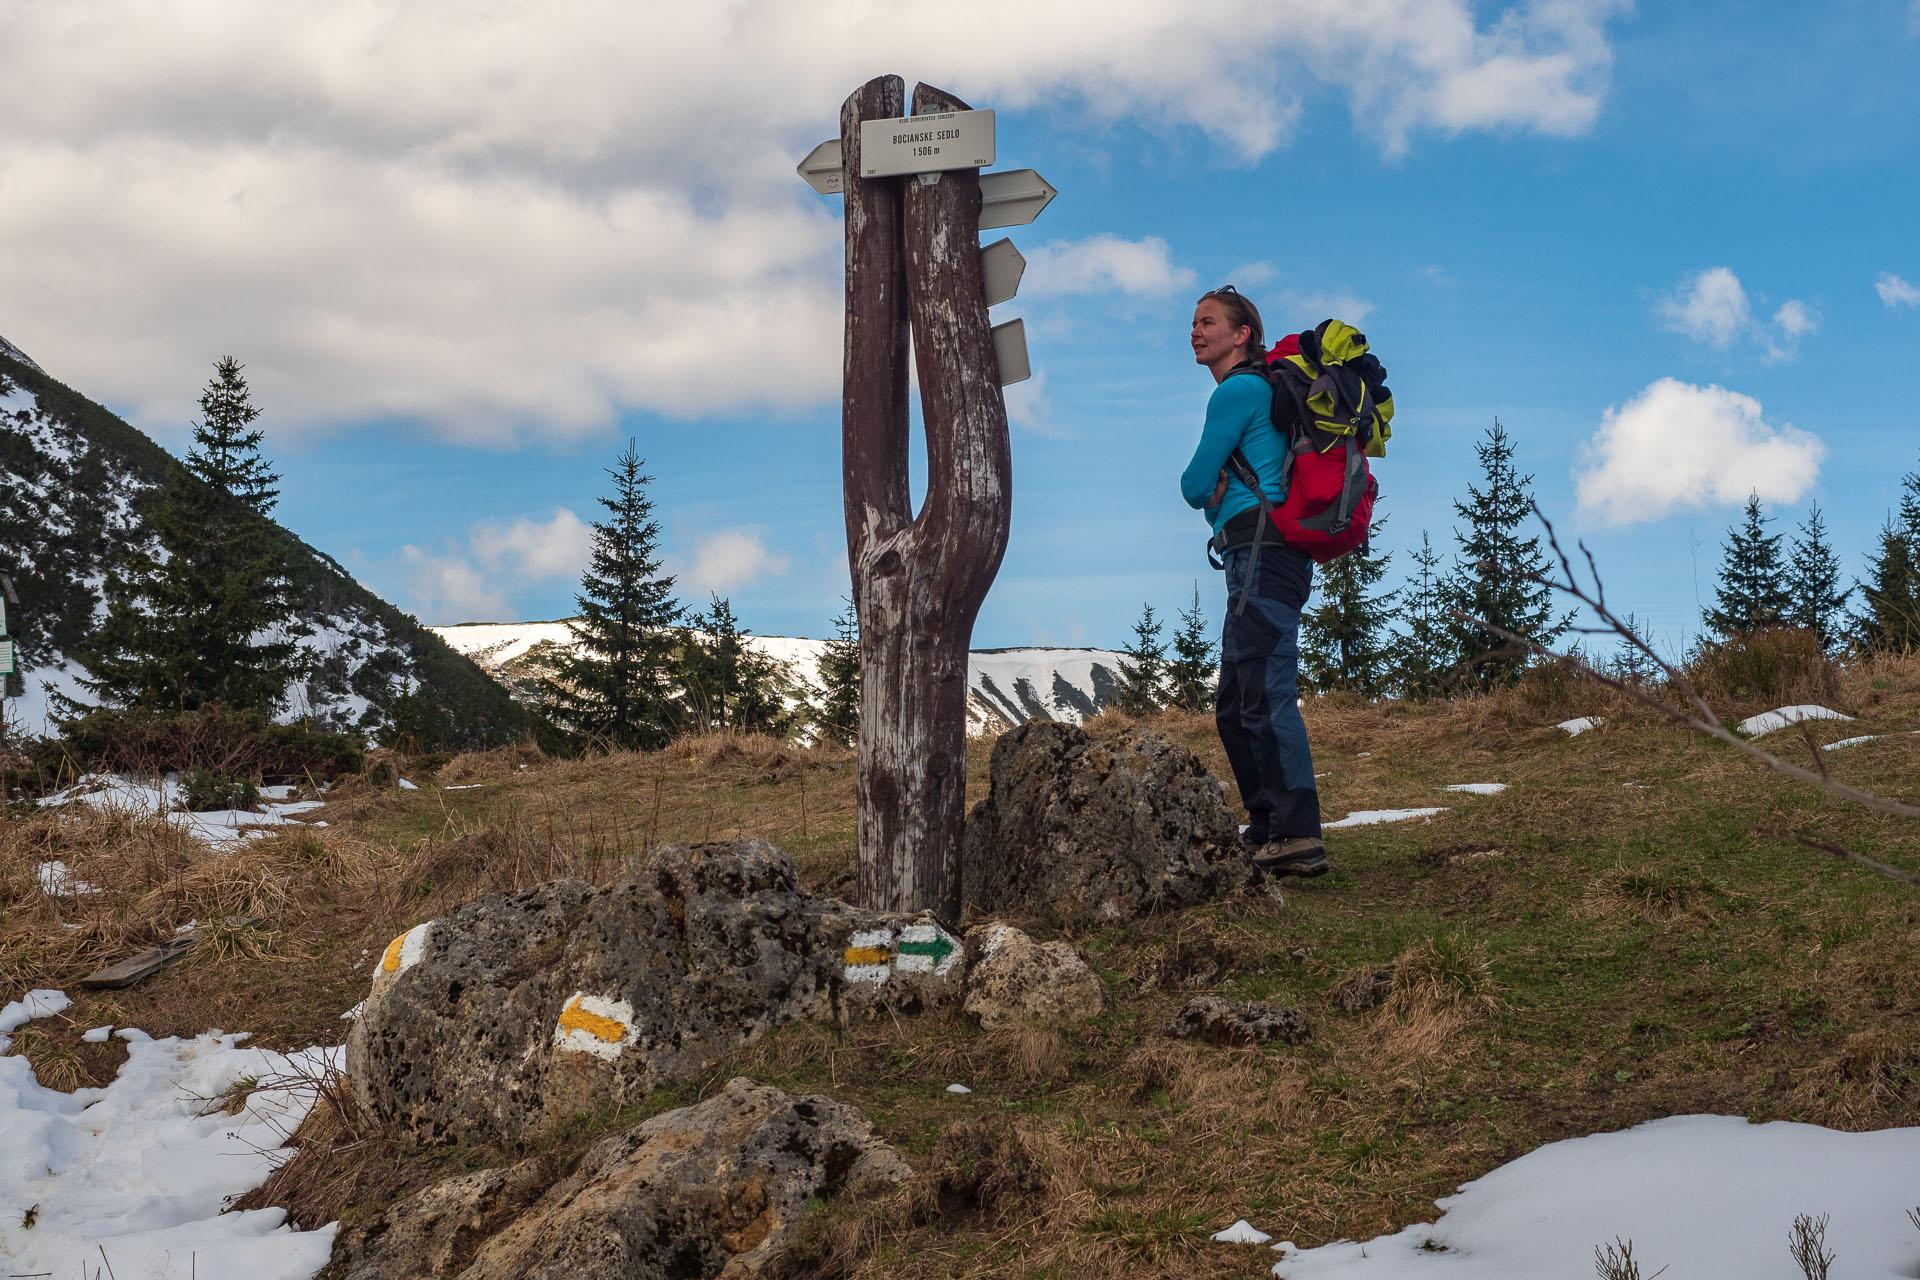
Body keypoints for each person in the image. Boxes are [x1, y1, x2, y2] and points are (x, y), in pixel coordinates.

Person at [1179, 286, 1327, 877]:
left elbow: (1193, 483)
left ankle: (1297, 834)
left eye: (1207, 321)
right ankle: (1268, 826)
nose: (1195, 331)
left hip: (1262, 554)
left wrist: (1210, 488)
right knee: (1237, 702)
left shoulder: (1238, 390)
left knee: (1262, 693)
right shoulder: (1255, 391)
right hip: (1262, 555)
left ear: (1242, 335)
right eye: (1193, 322)